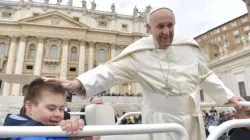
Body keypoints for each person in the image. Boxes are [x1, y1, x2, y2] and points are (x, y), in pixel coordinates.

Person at [44, 7, 244, 140]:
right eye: (160, 27)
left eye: (170, 25)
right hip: (161, 121)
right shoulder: (138, 52)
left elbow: (205, 75)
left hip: (192, 118)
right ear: (149, 28)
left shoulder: (188, 46)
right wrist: (77, 83)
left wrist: (229, 96)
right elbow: (109, 72)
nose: (166, 32)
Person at [3, 78, 92, 140]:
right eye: (51, 108)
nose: (59, 114)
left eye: (61, 109)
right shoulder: (31, 137)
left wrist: (72, 135)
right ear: (29, 107)